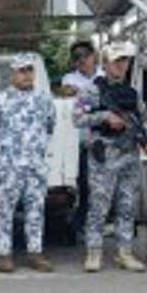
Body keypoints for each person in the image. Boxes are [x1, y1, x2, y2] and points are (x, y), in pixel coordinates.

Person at [74, 41, 147, 273]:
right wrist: (104, 117)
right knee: (99, 206)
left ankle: (125, 252)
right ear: (105, 63)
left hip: (129, 153)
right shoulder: (92, 89)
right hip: (104, 154)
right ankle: (94, 252)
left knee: (127, 205)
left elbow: (142, 120)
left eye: (125, 61)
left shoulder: (132, 93)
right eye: (117, 61)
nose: (122, 66)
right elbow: (77, 118)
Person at [0, 54, 56, 272]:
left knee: (36, 209)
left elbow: (50, 126)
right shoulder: (1, 100)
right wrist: (1, 152)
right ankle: (4, 253)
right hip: (9, 165)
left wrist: (37, 149)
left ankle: (35, 252)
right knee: (4, 210)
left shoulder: (44, 99)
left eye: (30, 70)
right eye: (22, 71)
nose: (27, 75)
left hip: (35, 164)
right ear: (13, 74)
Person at [62, 41, 101, 241]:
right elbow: (68, 95)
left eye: (85, 56)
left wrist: (83, 94)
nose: (82, 61)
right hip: (79, 140)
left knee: (100, 188)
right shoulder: (70, 78)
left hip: (103, 140)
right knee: (83, 185)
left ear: (93, 55)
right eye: (77, 58)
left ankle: (93, 225)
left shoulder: (103, 76)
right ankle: (80, 224)